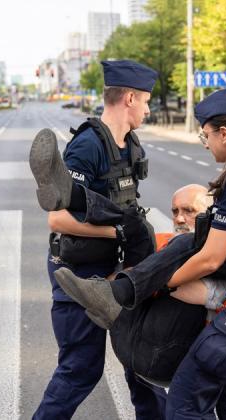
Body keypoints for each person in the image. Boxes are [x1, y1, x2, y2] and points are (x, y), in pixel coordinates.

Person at [53, 87, 226, 419]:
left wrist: (158, 283)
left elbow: (211, 259)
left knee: (186, 400)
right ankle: (76, 199)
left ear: (225, 133)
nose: (206, 145)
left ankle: (118, 291)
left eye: (206, 137)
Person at [28, 59, 165, 420]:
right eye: (147, 101)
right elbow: (57, 220)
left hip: (117, 271)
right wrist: (119, 230)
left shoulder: (130, 144)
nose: (150, 109)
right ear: (130, 98)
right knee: (80, 370)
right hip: (79, 272)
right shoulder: (88, 146)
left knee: (142, 365)